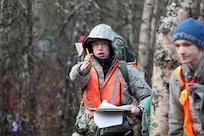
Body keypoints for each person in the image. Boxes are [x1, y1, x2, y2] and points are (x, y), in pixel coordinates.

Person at [69, 23, 152, 136]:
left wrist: (139, 110)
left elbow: (148, 97)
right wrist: (82, 69)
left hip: (118, 132)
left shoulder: (125, 70)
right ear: (90, 47)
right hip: (86, 131)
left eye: (104, 44)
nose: (100, 48)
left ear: (111, 46)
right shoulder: (85, 68)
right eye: (96, 44)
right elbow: (75, 78)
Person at [168, 18, 204, 136]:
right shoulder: (178, 76)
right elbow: (175, 123)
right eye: (177, 46)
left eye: (187, 45)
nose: (181, 51)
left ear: (200, 45)